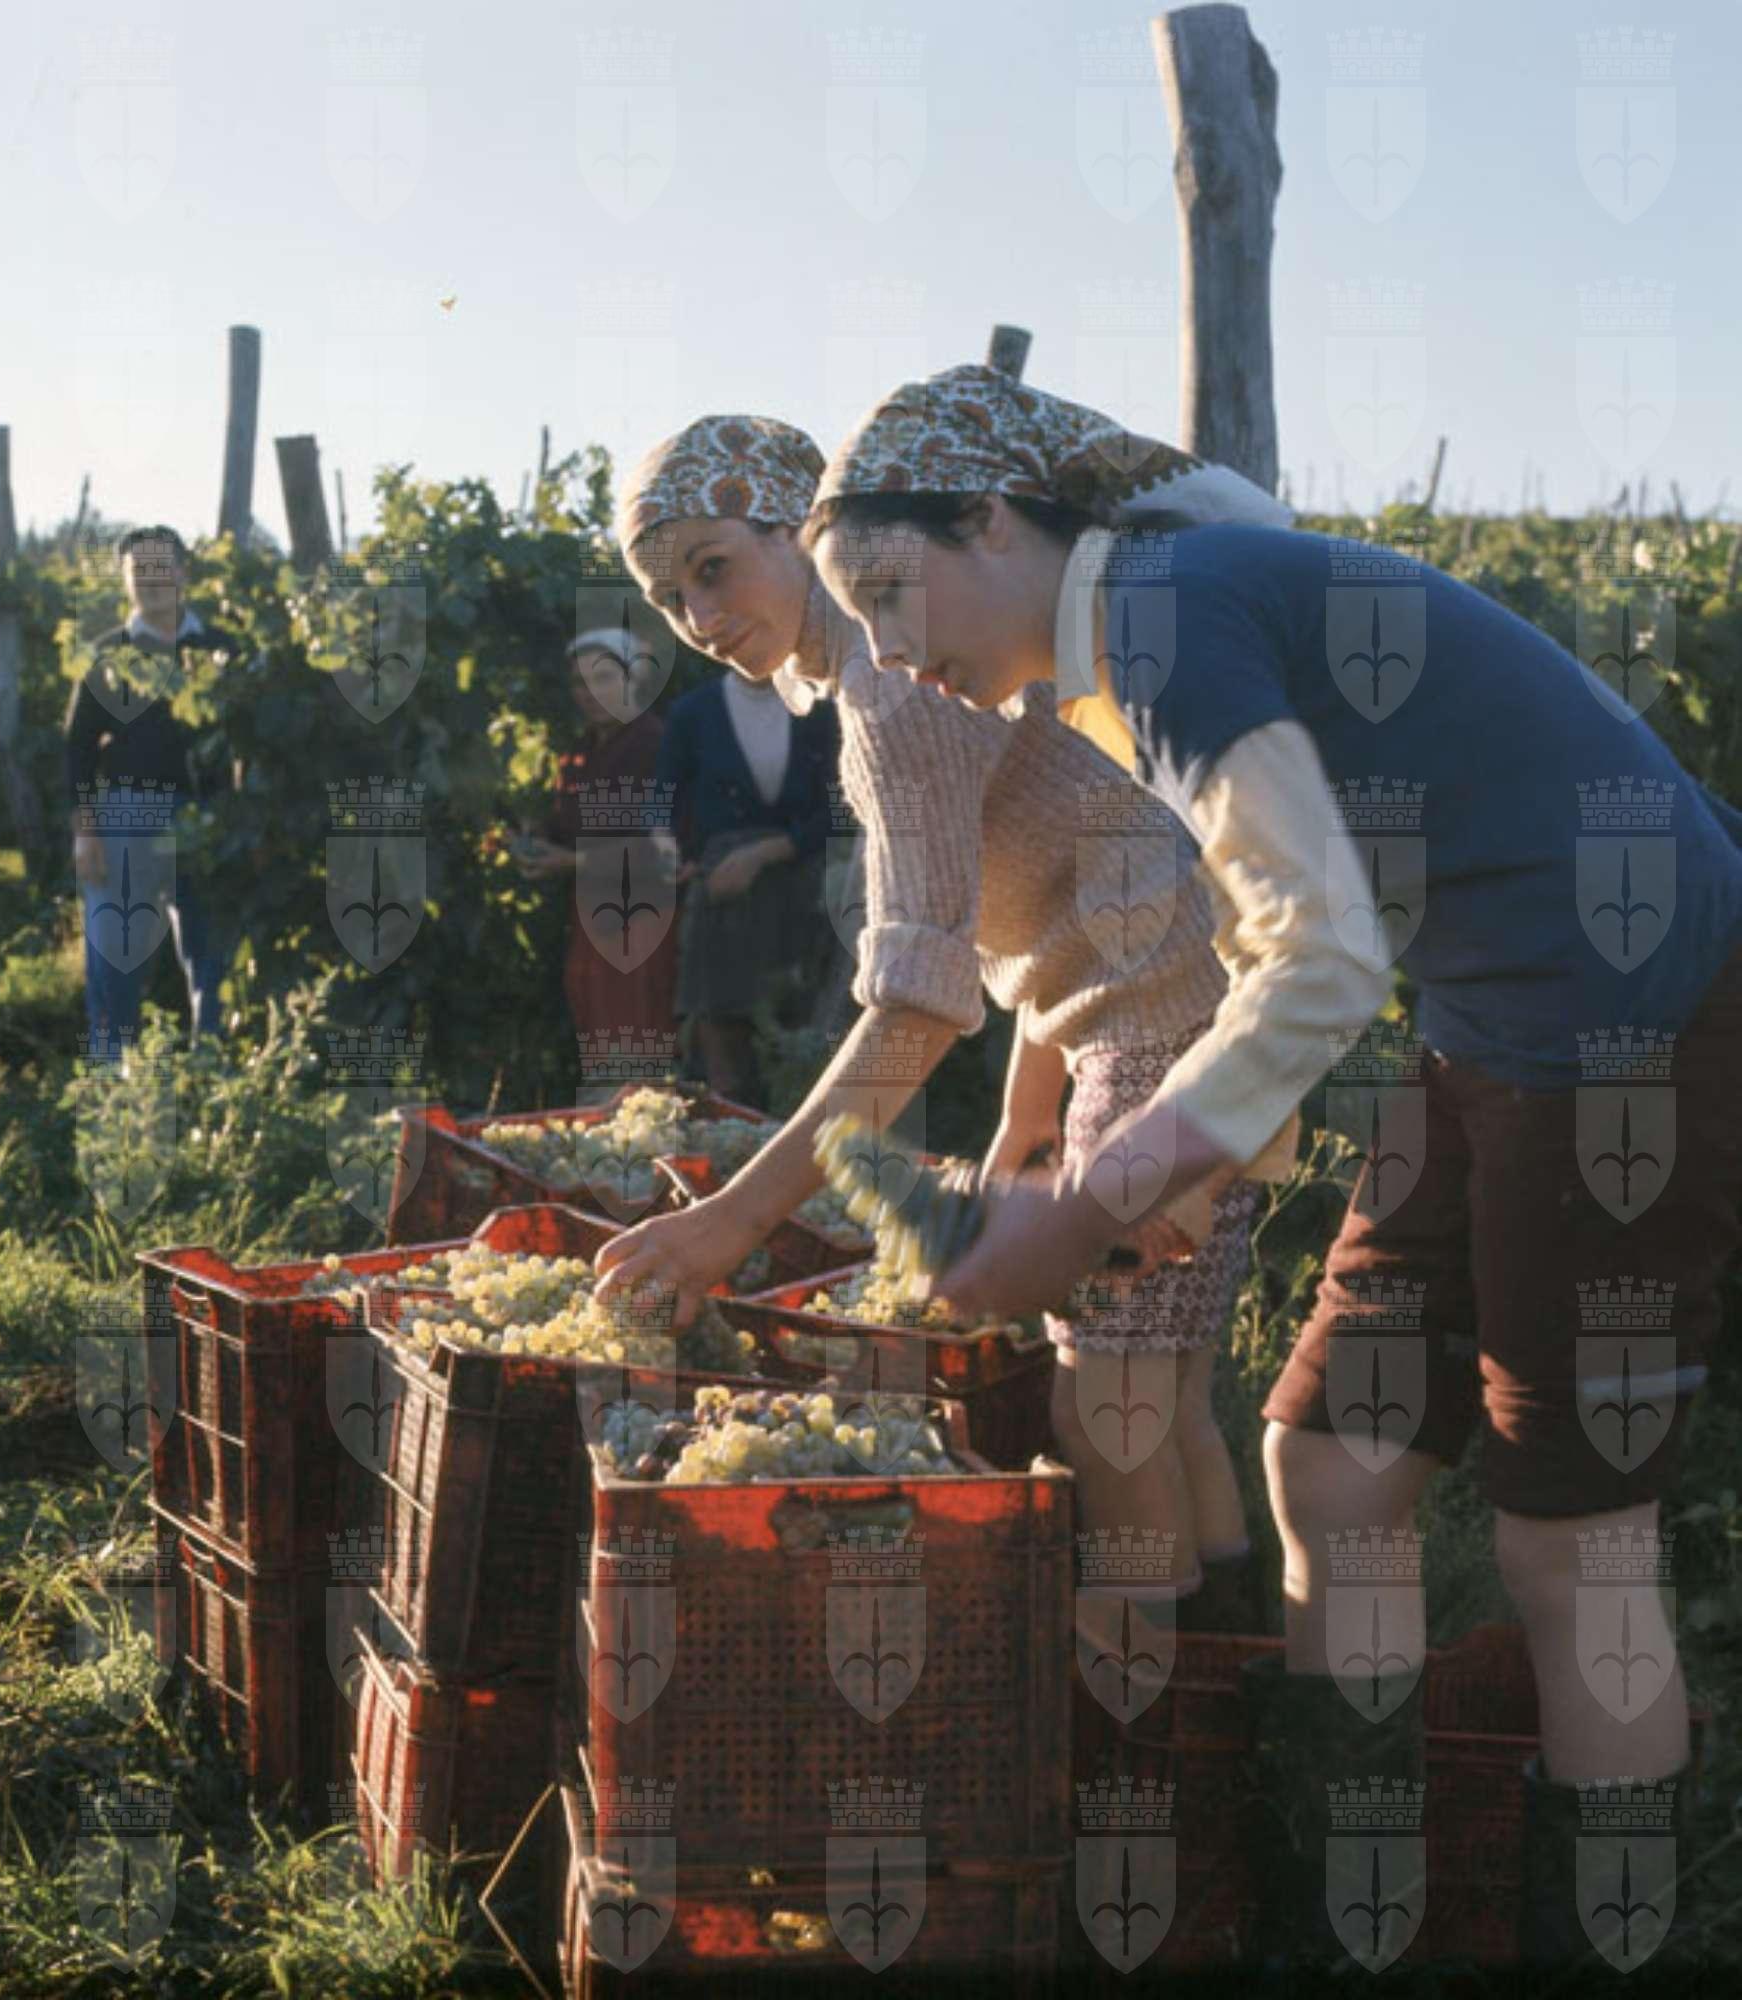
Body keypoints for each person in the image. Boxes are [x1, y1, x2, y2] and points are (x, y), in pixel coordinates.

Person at [804, 361, 1742, 1963]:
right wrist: (1189, 1169)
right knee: (1330, 1459)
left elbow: (1324, 956)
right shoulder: (1130, 643)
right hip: (1495, 1026)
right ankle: (1345, 1928)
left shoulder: (1165, 615)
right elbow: (1272, 927)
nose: (886, 652)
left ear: (992, 522)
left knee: (1568, 1539)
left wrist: (1094, 1199)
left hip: (1637, 1030)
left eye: (890, 593)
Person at [592, 411, 1290, 1624]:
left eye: (714, 566)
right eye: (668, 598)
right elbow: (1071, 888)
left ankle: (1147, 1695)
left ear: (796, 532)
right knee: (1162, 1393)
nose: (697, 615)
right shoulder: (906, 658)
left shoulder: (892, 694)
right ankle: (1235, 1675)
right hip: (1186, 1010)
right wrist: (1027, 1111)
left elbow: (916, 1005)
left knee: (1100, 1407)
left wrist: (732, 1220)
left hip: (1159, 1030)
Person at [650, 570, 840, 1108]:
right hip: (721, 888)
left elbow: (842, 806)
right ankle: (731, 1124)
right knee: (719, 1023)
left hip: (804, 882)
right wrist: (664, 850)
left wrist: (766, 853)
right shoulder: (694, 712)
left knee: (796, 1028)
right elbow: (662, 799)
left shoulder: (820, 709)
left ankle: (796, 1129)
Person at [65, 526, 230, 1043]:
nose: (151, 580)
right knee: (115, 951)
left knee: (212, 951)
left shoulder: (221, 648)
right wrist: (85, 832)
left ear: (183, 572)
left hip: (208, 815)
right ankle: (114, 1070)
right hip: (126, 814)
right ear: (125, 579)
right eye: (139, 570)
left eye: (161, 568)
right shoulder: (108, 653)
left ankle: (213, 1063)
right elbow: (77, 749)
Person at [512, 626, 680, 1047]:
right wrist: (536, 835)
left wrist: (573, 862)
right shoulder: (580, 751)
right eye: (579, 682)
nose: (589, 693)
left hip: (644, 919)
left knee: (638, 1036)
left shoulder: (656, 746)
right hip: (592, 918)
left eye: (603, 677)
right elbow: (569, 826)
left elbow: (666, 850)